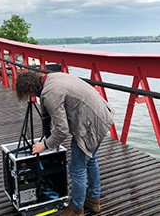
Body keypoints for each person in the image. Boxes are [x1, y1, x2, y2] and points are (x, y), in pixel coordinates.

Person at [15, 71, 114, 216]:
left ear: (29, 90)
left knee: (77, 168)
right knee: (91, 160)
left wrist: (45, 145)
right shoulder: (51, 78)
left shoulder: (50, 93)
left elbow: (62, 130)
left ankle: (76, 208)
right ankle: (93, 201)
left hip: (90, 124)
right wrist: (48, 133)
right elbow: (48, 109)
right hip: (102, 115)